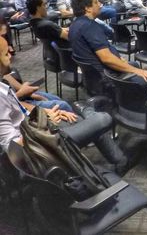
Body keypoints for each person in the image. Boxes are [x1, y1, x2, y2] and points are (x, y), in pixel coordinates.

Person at [0, 37, 128, 172]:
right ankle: (86, 110)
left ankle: (120, 161)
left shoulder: (2, 85)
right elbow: (13, 149)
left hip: (38, 129)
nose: (11, 55)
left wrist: (43, 113)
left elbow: (19, 107)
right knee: (103, 119)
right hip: (39, 146)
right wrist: (41, 126)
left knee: (83, 121)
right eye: (6, 54)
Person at [69, 0, 147, 89]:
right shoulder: (90, 27)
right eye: (96, 2)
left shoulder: (74, 25)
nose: (100, 4)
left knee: (134, 64)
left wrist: (118, 58)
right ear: (87, 8)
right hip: (108, 80)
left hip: (91, 79)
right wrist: (136, 71)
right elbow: (107, 59)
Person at [0, 35, 70, 111]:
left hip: (15, 97)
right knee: (63, 105)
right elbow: (5, 106)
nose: (10, 56)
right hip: (15, 105)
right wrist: (20, 94)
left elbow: (6, 76)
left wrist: (26, 91)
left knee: (55, 98)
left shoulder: (3, 73)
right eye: (6, 54)